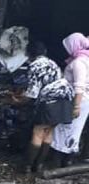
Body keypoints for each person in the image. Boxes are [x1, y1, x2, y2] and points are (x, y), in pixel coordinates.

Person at [21, 42, 74, 173]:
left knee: (38, 132)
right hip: (65, 100)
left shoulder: (34, 66)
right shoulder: (52, 63)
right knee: (49, 132)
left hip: (50, 102)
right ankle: (39, 165)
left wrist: (18, 101)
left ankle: (28, 166)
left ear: (29, 53)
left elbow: (33, 93)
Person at [51, 33, 89, 167]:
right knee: (72, 130)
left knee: (65, 130)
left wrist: (76, 106)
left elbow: (79, 86)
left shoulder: (79, 62)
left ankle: (61, 163)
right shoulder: (84, 59)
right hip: (81, 100)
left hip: (76, 100)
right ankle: (66, 161)